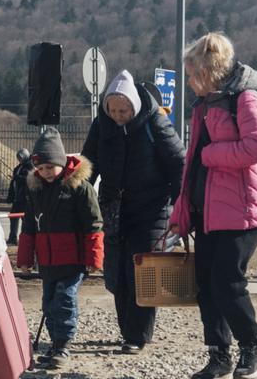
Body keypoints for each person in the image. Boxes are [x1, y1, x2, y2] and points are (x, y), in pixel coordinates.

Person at [169, 33, 257, 379]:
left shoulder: (245, 98)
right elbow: (192, 167)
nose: (189, 81)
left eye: (191, 73)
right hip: (210, 211)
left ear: (208, 71)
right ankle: (219, 355)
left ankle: (253, 348)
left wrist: (213, 154)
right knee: (206, 283)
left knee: (228, 281)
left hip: (245, 208)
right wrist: (182, 213)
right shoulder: (203, 106)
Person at [80, 69, 185, 354]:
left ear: (135, 106)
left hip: (153, 209)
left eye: (123, 110)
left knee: (144, 273)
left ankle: (136, 336)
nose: (117, 115)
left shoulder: (155, 122)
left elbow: (179, 164)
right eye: (112, 110)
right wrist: (77, 195)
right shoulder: (101, 125)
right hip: (115, 209)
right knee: (118, 274)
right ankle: (127, 330)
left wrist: (180, 206)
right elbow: (88, 163)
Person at [17, 128, 103, 369]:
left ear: (62, 163)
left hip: (72, 260)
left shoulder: (80, 189)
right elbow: (29, 226)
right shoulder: (36, 190)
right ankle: (56, 345)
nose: (46, 173)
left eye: (50, 167)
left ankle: (63, 345)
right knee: (48, 303)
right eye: (41, 168)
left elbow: (93, 225)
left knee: (64, 300)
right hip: (47, 261)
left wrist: (94, 258)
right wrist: (25, 258)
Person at [5, 148, 33, 245]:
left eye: (20, 157)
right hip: (17, 198)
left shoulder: (30, 166)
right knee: (13, 217)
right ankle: (12, 238)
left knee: (25, 220)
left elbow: (29, 180)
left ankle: (25, 238)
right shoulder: (19, 167)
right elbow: (14, 182)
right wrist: (10, 196)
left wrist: (17, 177)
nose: (19, 160)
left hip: (25, 198)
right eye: (18, 158)